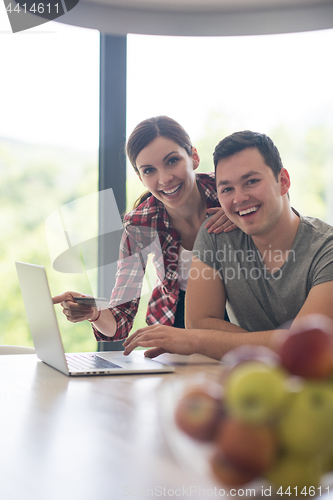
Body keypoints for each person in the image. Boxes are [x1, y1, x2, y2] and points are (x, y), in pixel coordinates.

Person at [123, 130, 333, 360]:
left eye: (251, 181)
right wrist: (274, 342)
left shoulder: (326, 249)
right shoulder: (215, 235)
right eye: (227, 189)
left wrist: (197, 341)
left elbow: (305, 347)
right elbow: (199, 323)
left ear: (282, 181)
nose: (239, 198)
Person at [52, 116, 235, 340]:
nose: (165, 178)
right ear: (140, 177)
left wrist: (243, 217)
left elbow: (282, 208)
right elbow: (120, 321)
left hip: (243, 312)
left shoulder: (230, 191)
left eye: (172, 161)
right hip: (178, 326)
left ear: (193, 157)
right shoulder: (140, 225)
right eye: (149, 170)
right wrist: (94, 312)